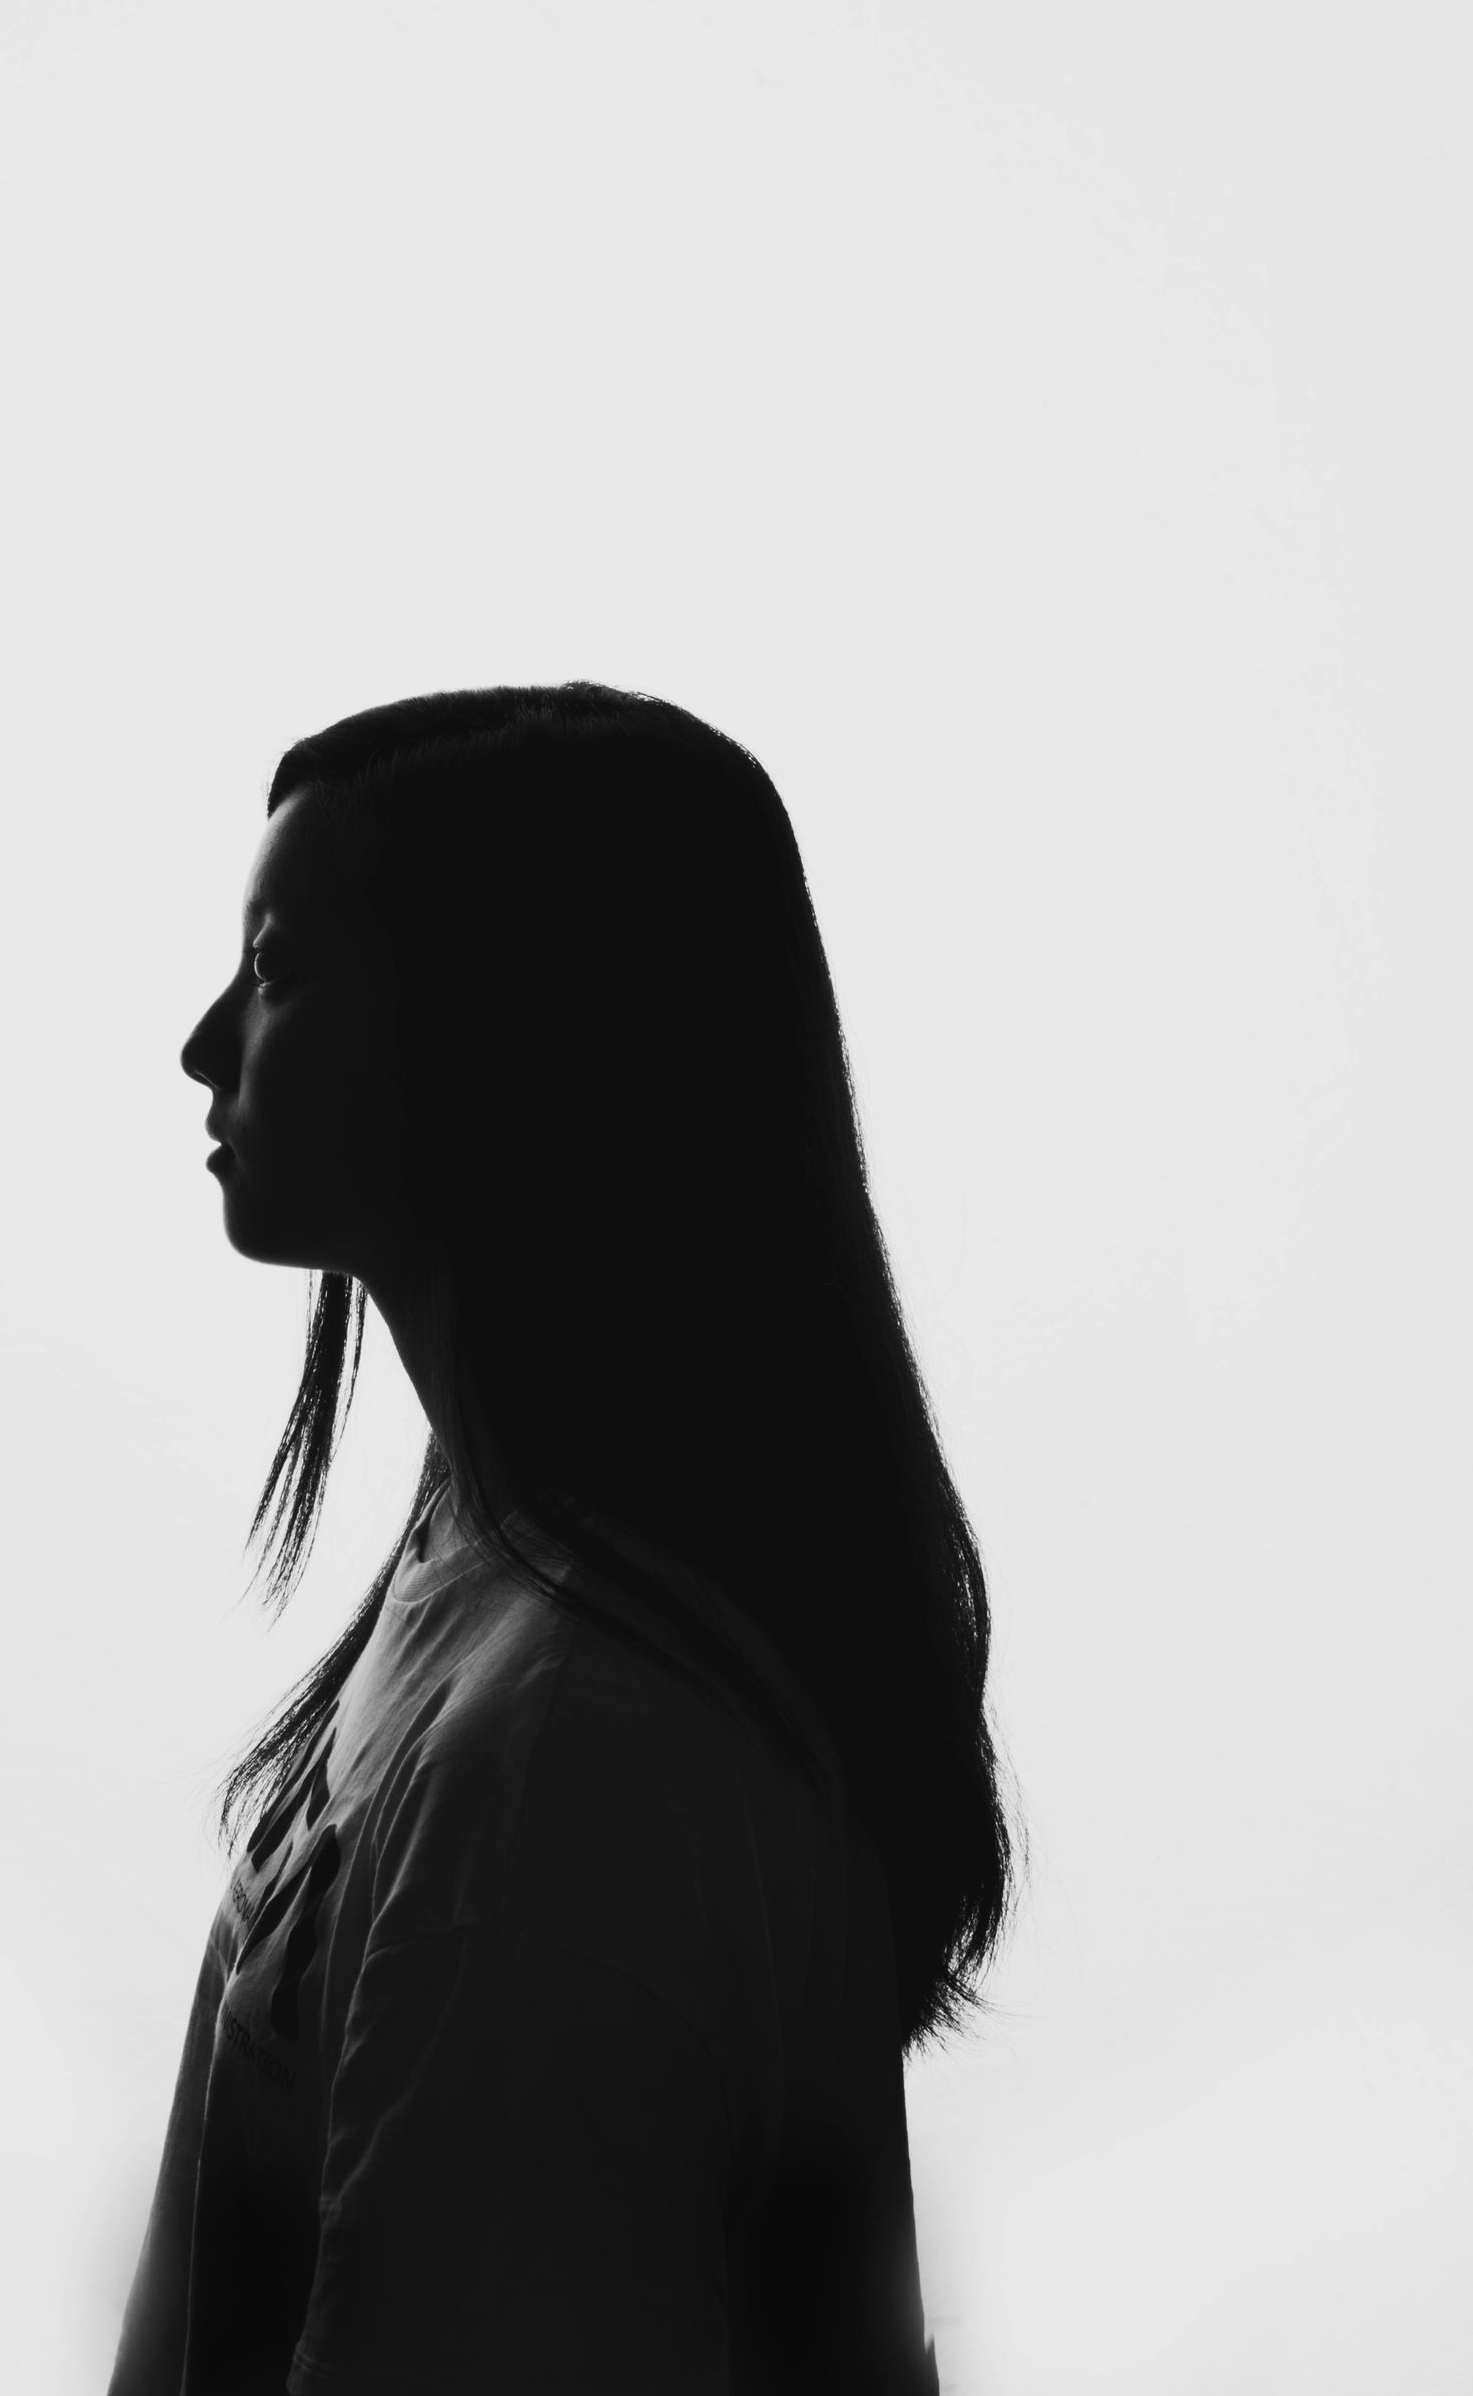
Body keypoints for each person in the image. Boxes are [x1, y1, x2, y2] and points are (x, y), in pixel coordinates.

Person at [109, 684, 1019, 2395]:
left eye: (279, 967)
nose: (205, 1042)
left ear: (483, 1033)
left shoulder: (569, 1766)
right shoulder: (492, 1597)